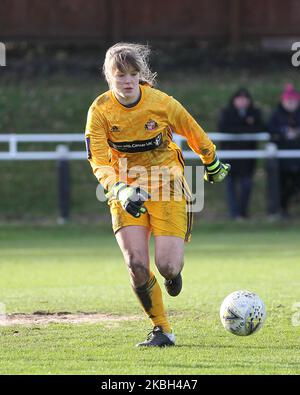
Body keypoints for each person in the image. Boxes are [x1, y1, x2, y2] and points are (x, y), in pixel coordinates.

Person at [85, 43, 230, 347]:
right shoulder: (99, 111)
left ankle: (173, 273)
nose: (126, 80)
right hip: (126, 189)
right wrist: (119, 188)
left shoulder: (161, 103)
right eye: (119, 74)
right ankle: (162, 330)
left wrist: (211, 160)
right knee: (136, 263)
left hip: (168, 185)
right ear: (109, 77)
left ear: (141, 75)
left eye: (132, 74)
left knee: (167, 266)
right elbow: (98, 159)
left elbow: (193, 131)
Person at [218, 88, 264, 220]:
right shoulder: (227, 113)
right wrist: (245, 125)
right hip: (230, 157)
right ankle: (234, 215)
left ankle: (243, 213)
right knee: (230, 186)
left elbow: (260, 128)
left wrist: (241, 127)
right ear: (234, 100)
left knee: (247, 186)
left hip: (248, 160)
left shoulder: (255, 113)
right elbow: (224, 128)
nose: (242, 102)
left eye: (245, 99)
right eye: (240, 99)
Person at [268, 84, 300, 218]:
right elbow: (270, 129)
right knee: (282, 186)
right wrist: (283, 133)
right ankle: (283, 209)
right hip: (282, 160)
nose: (291, 104)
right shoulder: (276, 114)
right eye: (289, 101)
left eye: (293, 101)